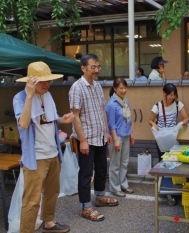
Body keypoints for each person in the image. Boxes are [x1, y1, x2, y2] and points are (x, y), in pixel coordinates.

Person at [13, 61, 74, 233]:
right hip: (36, 157)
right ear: (31, 82)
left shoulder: (47, 96)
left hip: (53, 152)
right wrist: (30, 95)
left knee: (52, 192)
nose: (47, 84)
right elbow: (23, 124)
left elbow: (48, 120)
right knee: (31, 200)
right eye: (42, 81)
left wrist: (62, 119)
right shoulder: (21, 98)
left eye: (48, 81)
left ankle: (48, 223)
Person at [69, 53, 118, 222]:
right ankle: (85, 206)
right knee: (86, 172)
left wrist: (106, 132)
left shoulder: (97, 86)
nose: (96, 70)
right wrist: (82, 140)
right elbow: (75, 116)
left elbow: (101, 110)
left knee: (102, 168)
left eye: (98, 66)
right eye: (93, 67)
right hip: (86, 139)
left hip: (100, 136)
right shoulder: (77, 87)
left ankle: (99, 196)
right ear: (83, 68)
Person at [106, 78, 135, 197]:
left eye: (125, 88)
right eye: (121, 88)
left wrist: (131, 134)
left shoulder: (126, 102)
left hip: (126, 134)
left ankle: (123, 184)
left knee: (124, 162)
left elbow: (128, 120)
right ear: (115, 89)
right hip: (116, 136)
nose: (123, 90)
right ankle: (114, 188)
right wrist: (115, 140)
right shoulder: (111, 104)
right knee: (115, 164)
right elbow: (111, 124)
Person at [148, 83, 189, 160]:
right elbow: (150, 120)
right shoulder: (157, 106)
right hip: (161, 138)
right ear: (164, 93)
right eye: (170, 95)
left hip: (173, 136)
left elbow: (186, 118)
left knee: (174, 158)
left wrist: (184, 122)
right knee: (162, 159)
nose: (173, 97)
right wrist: (153, 124)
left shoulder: (178, 104)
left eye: (174, 95)